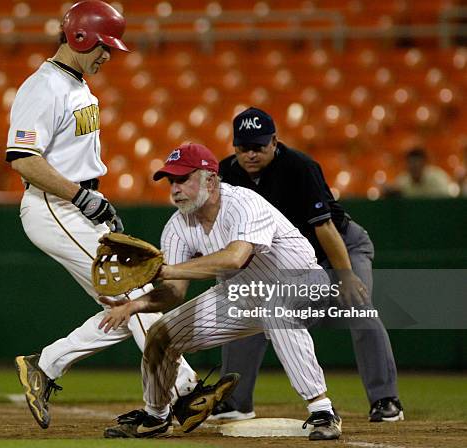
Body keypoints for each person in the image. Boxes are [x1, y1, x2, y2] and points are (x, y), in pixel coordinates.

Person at [5, 0, 198, 429]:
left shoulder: (76, 86)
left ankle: (47, 364)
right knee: (137, 294)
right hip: (54, 208)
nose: (108, 55)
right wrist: (80, 198)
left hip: (78, 207)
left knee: (124, 304)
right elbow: (22, 158)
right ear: (79, 37)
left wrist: (95, 204)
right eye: (103, 45)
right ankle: (185, 390)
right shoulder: (44, 87)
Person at [99, 143, 343, 441]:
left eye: (183, 179)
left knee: (275, 307)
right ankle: (156, 416)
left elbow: (234, 258)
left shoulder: (243, 202)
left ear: (211, 180)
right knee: (161, 335)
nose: (175, 188)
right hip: (243, 294)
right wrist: (133, 305)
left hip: (302, 280)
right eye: (171, 181)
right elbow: (174, 292)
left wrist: (168, 270)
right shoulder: (177, 227)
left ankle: (323, 410)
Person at [209, 107, 403, 423]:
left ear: (274, 141)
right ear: (234, 147)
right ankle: (235, 402)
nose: (251, 154)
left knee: (358, 306)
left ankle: (386, 399)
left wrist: (345, 275)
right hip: (283, 260)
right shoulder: (226, 175)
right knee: (247, 312)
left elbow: (324, 227)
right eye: (244, 147)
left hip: (337, 248)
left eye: (259, 146)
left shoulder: (300, 167)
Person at [387, 147, 452, 197]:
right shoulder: (402, 181)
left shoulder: (438, 178)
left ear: (424, 164)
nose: (414, 168)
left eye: (417, 164)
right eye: (411, 164)